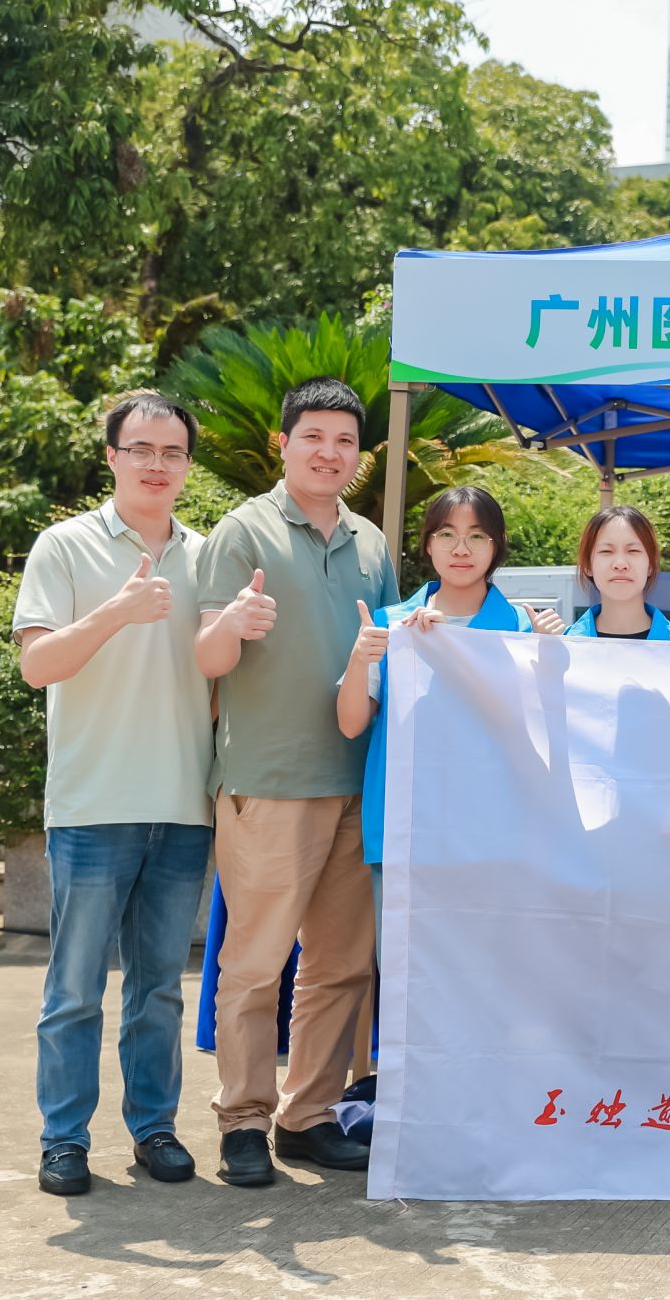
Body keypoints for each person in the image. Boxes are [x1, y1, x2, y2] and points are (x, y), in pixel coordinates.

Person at [194, 376, 398, 1187]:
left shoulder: (372, 545)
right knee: (256, 963)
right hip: (269, 781)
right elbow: (207, 657)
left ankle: (306, 1114)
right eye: (313, 435)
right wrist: (231, 623)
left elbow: (392, 660)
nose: (329, 452)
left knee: (342, 964)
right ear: (283, 443)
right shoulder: (241, 532)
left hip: (357, 780)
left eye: (345, 440)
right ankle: (242, 1118)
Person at [13, 392, 216, 1196]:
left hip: (183, 806)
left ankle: (154, 1128)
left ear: (188, 464)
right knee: (74, 989)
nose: (157, 464)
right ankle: (64, 1140)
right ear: (112, 456)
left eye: (172, 452)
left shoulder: (209, 556)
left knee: (159, 988)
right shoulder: (63, 546)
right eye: (141, 449)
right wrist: (118, 611)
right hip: (93, 806)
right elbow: (38, 666)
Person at [337, 485, 563, 935]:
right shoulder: (391, 625)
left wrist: (551, 657)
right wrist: (361, 659)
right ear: (427, 544)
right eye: (446, 534)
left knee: (490, 964)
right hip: (406, 830)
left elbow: (548, 729)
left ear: (496, 546)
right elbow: (350, 724)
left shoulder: (525, 629)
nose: (461, 549)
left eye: (477, 536)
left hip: (497, 835)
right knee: (403, 968)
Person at [563, 505, 670, 641]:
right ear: (588, 565)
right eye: (606, 551)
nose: (620, 564)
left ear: (651, 565)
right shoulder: (564, 645)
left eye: (633, 551)